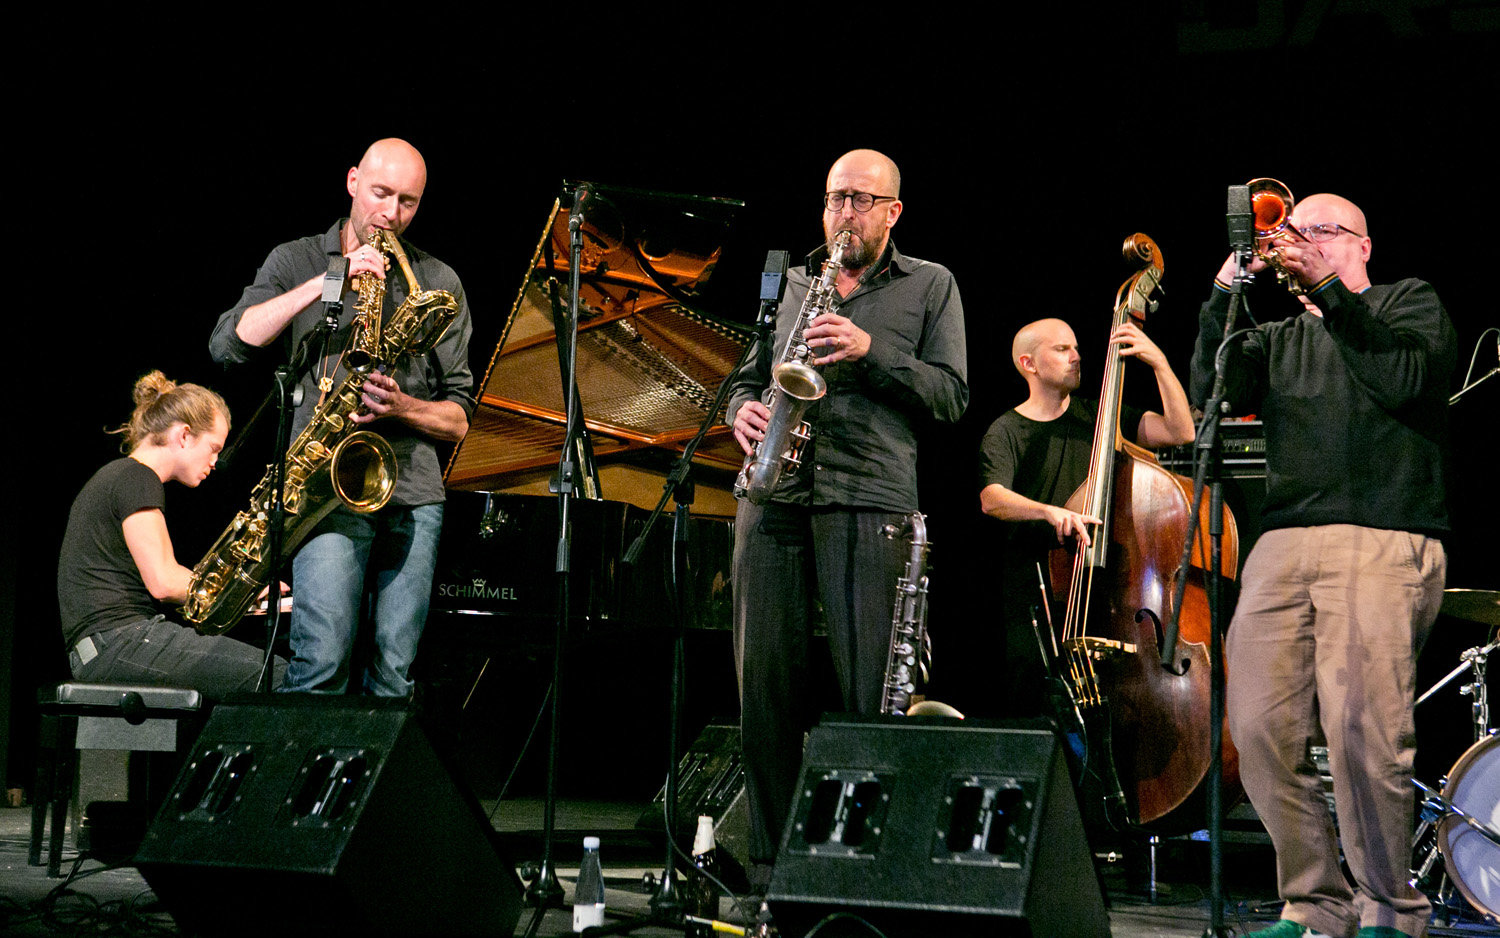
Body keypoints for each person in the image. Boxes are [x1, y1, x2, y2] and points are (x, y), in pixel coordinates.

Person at [1190, 193, 1453, 938]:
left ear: (1363, 246)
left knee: (1362, 731)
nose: (1305, 243)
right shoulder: (1277, 337)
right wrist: (1224, 291)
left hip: (1381, 532)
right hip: (1282, 540)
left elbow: (1402, 379)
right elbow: (1215, 391)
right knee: (1258, 729)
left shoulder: (1408, 303)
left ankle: (1389, 910)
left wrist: (1330, 292)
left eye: (1325, 232)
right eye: (1295, 234)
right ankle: (1314, 904)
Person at [725, 149, 968, 877]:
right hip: (774, 495)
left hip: (869, 497)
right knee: (764, 693)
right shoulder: (793, 281)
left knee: (871, 692)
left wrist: (869, 352)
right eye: (836, 198)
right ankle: (772, 871)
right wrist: (741, 408)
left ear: (893, 212)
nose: (846, 214)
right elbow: (746, 373)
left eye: (863, 200)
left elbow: (951, 395)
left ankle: (866, 867)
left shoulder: (931, 283)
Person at [209, 138, 474, 698]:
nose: (391, 213)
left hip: (413, 495)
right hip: (324, 488)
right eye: (381, 193)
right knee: (321, 664)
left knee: (394, 677)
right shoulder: (296, 259)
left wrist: (402, 407)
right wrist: (331, 280)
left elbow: (459, 419)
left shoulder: (438, 282)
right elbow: (229, 344)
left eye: (407, 202)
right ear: (353, 181)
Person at [976, 317, 1194, 715]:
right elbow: (992, 498)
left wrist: (1159, 363)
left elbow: (1180, 432)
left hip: (1110, 592)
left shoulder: (1102, 419)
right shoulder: (1006, 430)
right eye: (1062, 349)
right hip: (1042, 597)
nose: (1076, 356)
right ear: (1028, 363)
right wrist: (1049, 512)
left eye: (1076, 347)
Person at [58, 371, 283, 698]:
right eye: (213, 448)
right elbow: (163, 581)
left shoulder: (120, 475)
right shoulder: (137, 477)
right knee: (279, 675)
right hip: (120, 641)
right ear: (184, 435)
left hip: (103, 646)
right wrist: (243, 589)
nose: (215, 462)